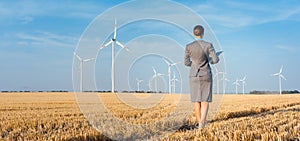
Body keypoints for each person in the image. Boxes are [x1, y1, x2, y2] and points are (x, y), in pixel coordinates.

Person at [184, 25, 219, 129]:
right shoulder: (208, 45)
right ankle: (202, 123)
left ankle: (199, 122)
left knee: (196, 100)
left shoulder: (188, 46)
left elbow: (186, 62)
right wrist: (210, 61)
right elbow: (215, 60)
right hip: (206, 74)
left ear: (194, 33)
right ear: (203, 33)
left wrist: (194, 66)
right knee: (205, 100)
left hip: (194, 75)